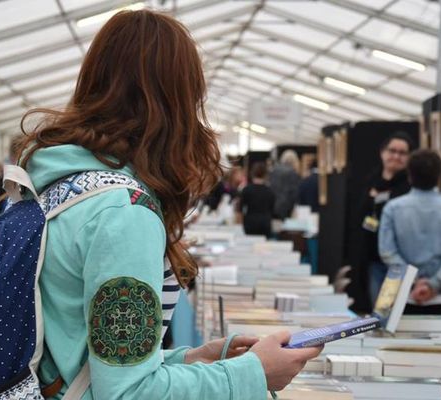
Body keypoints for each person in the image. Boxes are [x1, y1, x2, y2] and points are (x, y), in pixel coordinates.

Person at [19, 10, 321, 399]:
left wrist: (189, 360)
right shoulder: (123, 214)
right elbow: (129, 394)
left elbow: (83, 352)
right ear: (178, 100)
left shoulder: (57, 183)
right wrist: (251, 375)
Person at [379, 149, 441, 314]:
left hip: (402, 296)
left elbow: (387, 252)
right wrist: (433, 284)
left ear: (409, 174)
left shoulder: (392, 208)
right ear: (439, 175)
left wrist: (413, 281)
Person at [360, 132, 412, 306]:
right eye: (392, 151)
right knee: (378, 310)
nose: (396, 156)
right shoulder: (370, 180)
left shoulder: (410, 186)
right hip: (373, 258)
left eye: (402, 153)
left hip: (400, 260)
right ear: (383, 152)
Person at [241, 162, 275, 237]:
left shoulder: (246, 190)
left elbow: (240, 209)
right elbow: (272, 209)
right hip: (265, 223)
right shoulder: (270, 191)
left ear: (252, 173)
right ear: (265, 175)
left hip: (250, 223)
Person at [269, 150, 301, 220]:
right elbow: (294, 193)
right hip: (286, 208)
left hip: (272, 207)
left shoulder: (274, 171)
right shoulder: (293, 174)